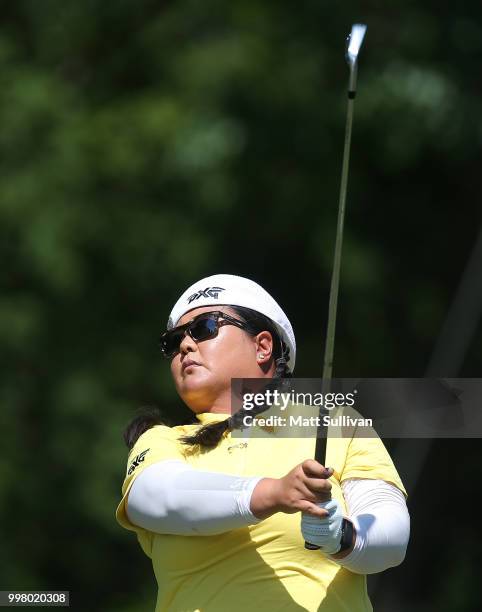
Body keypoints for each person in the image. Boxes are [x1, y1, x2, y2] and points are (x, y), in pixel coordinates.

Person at [115, 274, 410, 612]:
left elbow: (392, 536)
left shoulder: (335, 422)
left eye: (204, 328)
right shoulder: (163, 441)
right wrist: (274, 493)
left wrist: (339, 536)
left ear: (263, 346)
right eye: (173, 341)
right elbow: (156, 498)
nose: (184, 345)